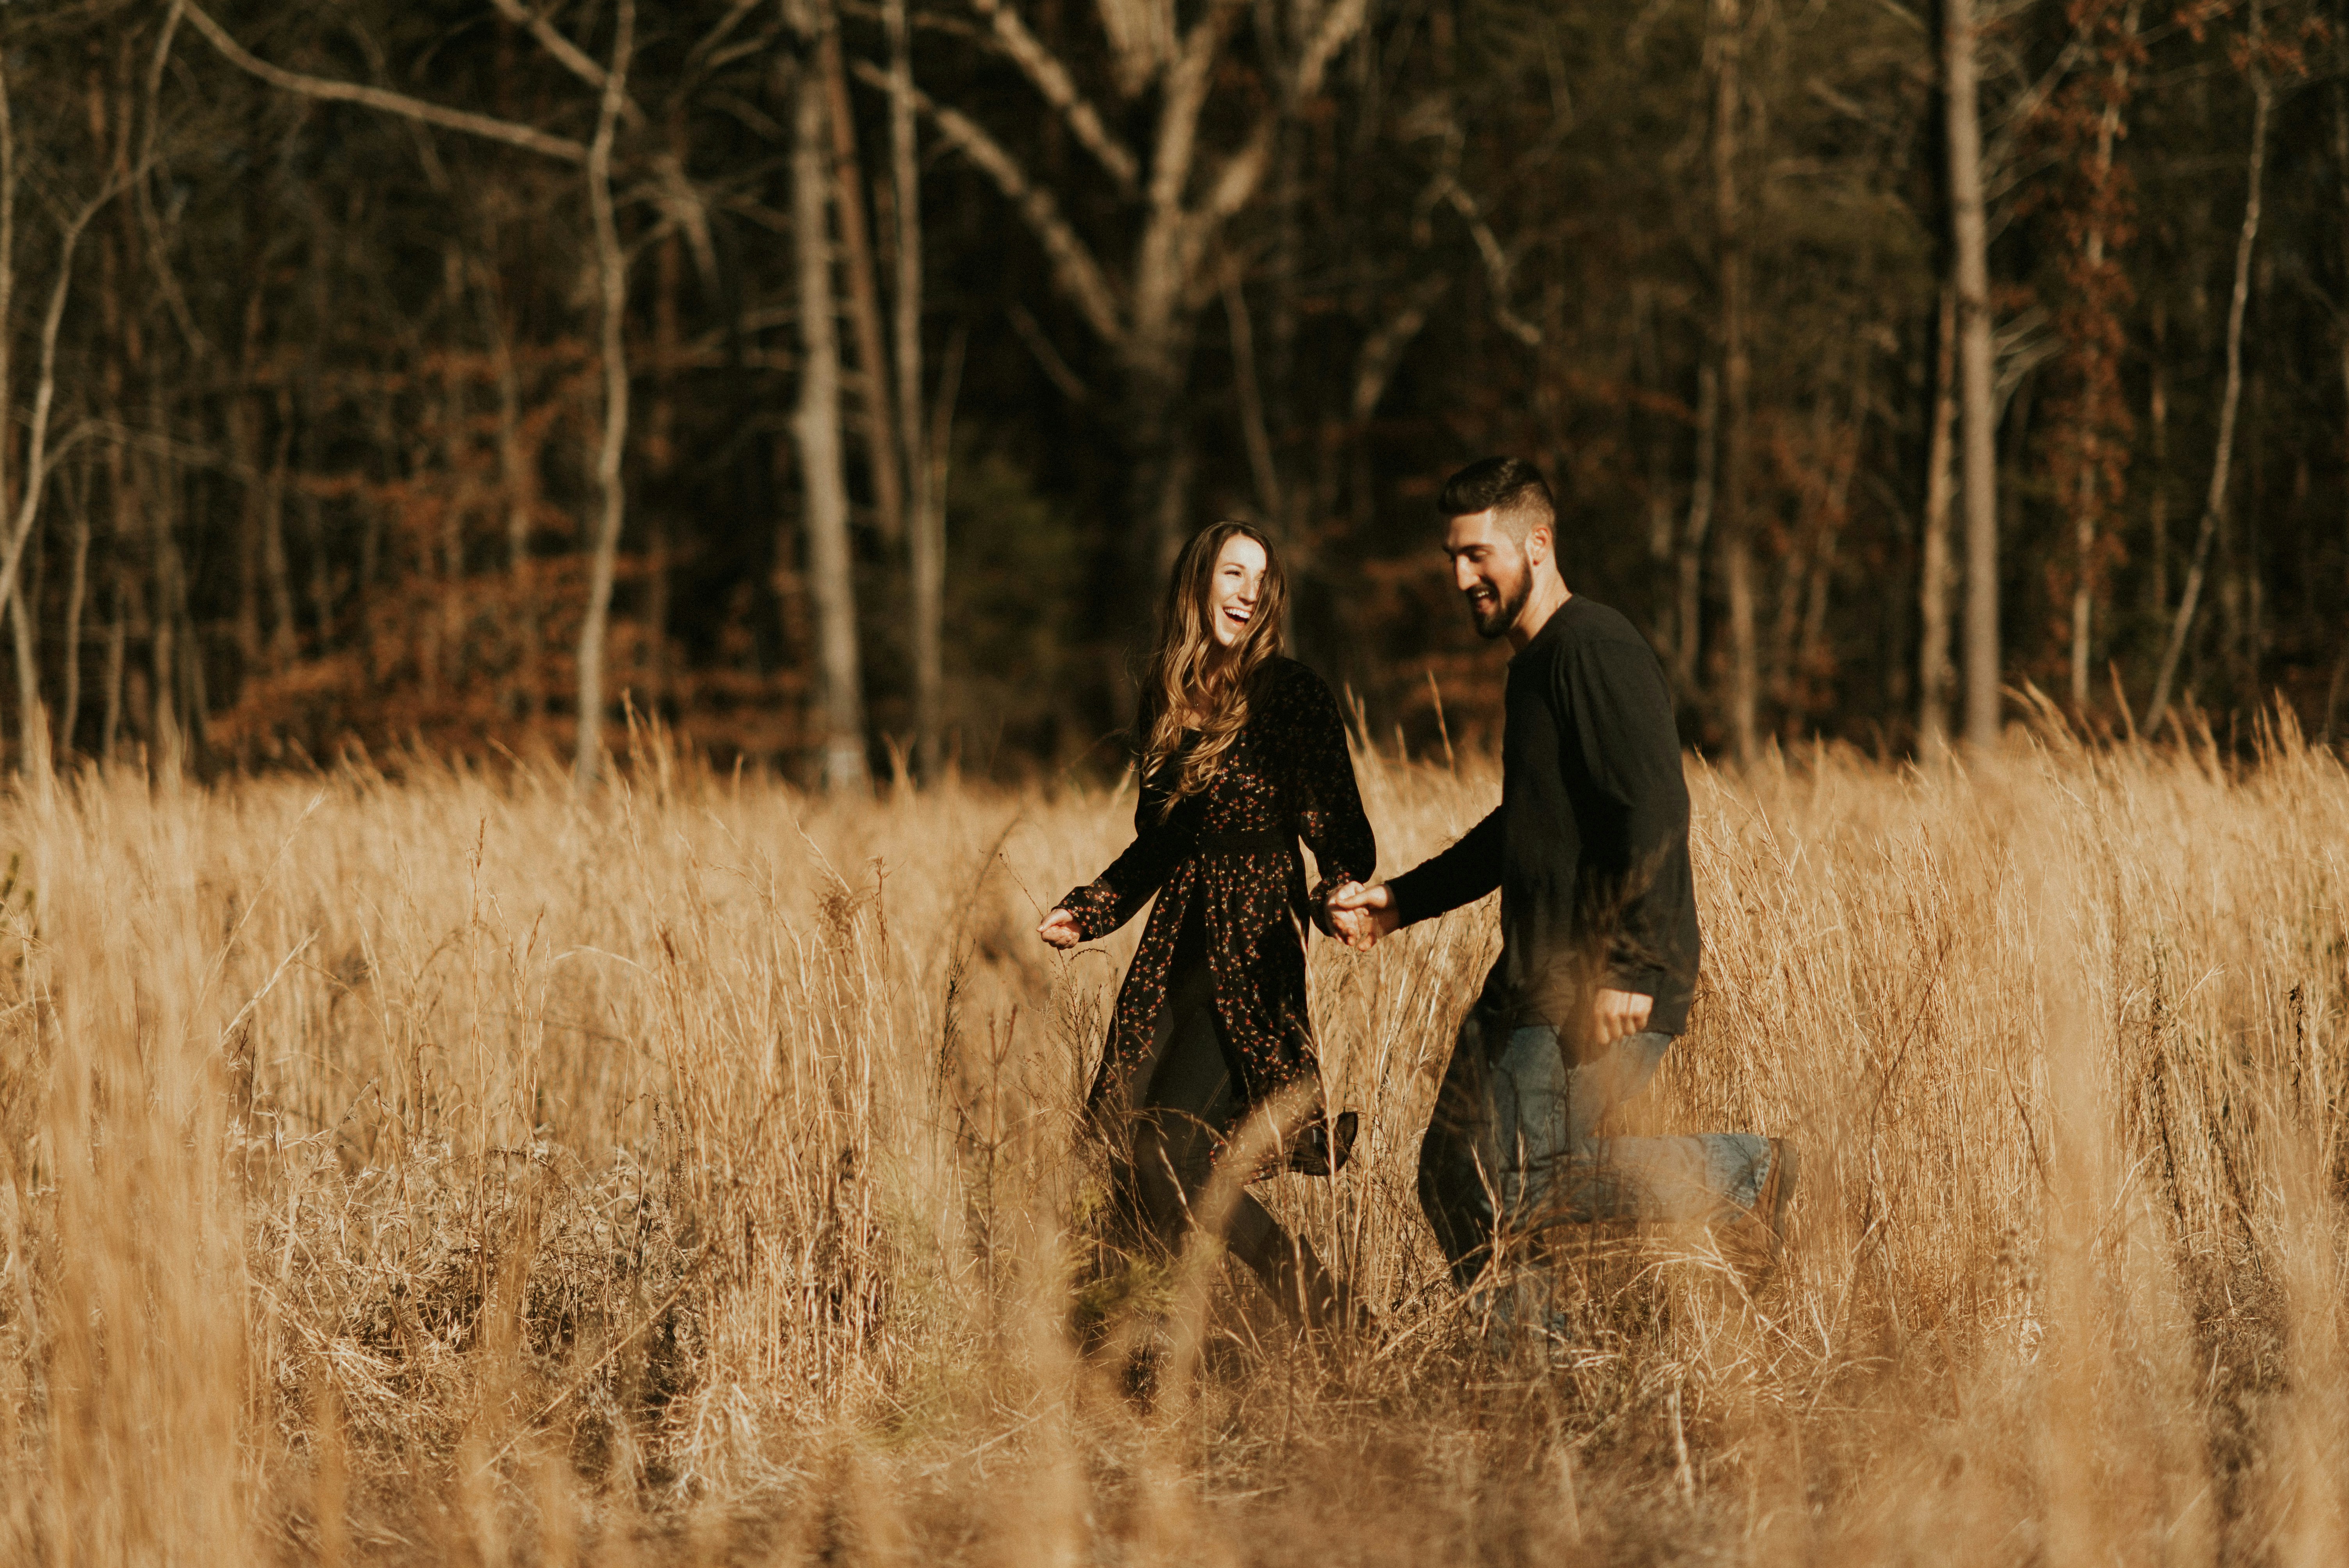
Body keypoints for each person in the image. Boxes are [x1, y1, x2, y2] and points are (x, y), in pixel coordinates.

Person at [1326, 457, 1795, 1298]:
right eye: (1451, 558)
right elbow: (1525, 830)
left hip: (1595, 982)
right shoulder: (1535, 666)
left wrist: (1628, 965)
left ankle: (1750, 1173)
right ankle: (1527, 1386)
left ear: (1535, 544)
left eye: (1478, 555)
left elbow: (1650, 807)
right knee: (1449, 1177)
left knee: (1505, 1181)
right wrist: (1400, 901)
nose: (1460, 577)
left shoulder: (1592, 649)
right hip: (1529, 979)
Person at [1039, 520, 1376, 1327]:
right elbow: (1157, 847)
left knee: (1171, 1155)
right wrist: (1089, 909)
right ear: (1199, 583)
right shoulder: (1167, 694)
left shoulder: (1290, 696)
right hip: (1171, 954)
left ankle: (1331, 1313)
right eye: (1232, 572)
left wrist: (1338, 886)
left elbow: (1344, 830)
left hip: (1251, 951)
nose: (1248, 590)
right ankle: (1127, 1352)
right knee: (1117, 1154)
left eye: (1259, 578)